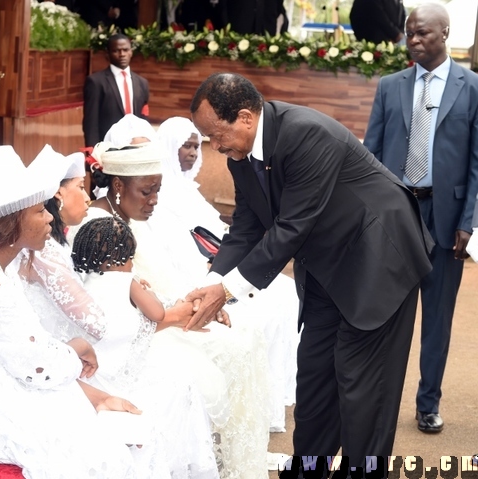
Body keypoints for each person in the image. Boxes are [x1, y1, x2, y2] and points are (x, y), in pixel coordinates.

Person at [188, 72, 433, 469]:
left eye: (216, 135)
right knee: (315, 380)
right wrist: (212, 282)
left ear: (246, 118)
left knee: (363, 391)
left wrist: (227, 291)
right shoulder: (241, 154)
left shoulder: (305, 133)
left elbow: (291, 226)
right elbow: (249, 225)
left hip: (377, 261)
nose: (214, 147)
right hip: (324, 269)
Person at [0, 145, 195, 478]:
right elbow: (37, 363)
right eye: (40, 210)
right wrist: (75, 349)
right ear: (10, 220)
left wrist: (90, 389)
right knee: (105, 452)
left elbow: (27, 349)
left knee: (129, 426)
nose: (49, 218)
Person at [70, 142, 293, 476]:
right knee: (228, 354)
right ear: (118, 186)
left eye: (158, 190)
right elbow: (110, 307)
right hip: (135, 336)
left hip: (168, 315)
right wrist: (184, 313)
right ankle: (224, 464)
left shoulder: (133, 217)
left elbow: (167, 279)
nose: (154, 200)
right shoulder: (96, 227)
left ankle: (239, 461)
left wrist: (201, 303)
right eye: (147, 191)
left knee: (244, 338)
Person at [25, 147, 218, 478]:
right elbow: (101, 322)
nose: (87, 196)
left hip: (95, 351)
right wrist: (139, 293)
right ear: (59, 194)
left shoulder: (67, 241)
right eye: (79, 188)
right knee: (174, 389)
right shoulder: (49, 252)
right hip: (88, 362)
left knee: (180, 381)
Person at [364, 4, 478, 435]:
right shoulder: (390, 86)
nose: (412, 40)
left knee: (437, 319)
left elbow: (476, 163)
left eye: (422, 34)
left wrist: (469, 220)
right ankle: (379, 398)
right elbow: (370, 154)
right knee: (385, 313)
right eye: (409, 33)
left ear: (445, 33)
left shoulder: (472, 88)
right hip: (396, 213)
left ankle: (428, 402)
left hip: (446, 218)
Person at [82, 34, 150, 147]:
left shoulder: (142, 83)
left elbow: (143, 118)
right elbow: (91, 121)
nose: (122, 54)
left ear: (131, 52)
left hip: (135, 147)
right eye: (116, 51)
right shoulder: (96, 82)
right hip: (108, 146)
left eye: (125, 50)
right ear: (107, 54)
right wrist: (93, 152)